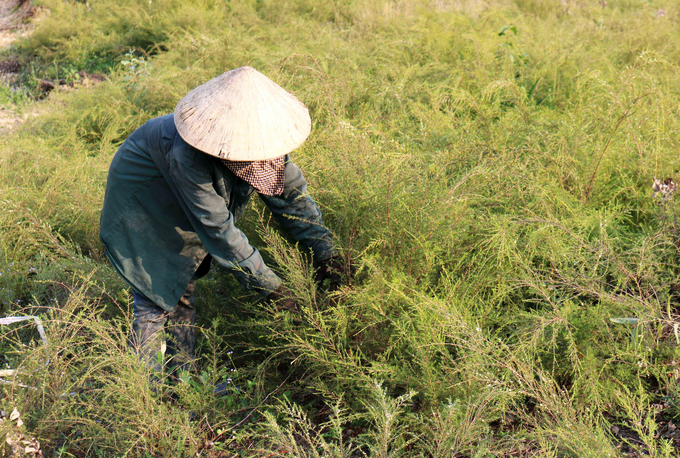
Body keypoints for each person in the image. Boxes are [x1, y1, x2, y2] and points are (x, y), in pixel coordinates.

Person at [100, 66, 343, 376]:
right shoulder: (188, 155)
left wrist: (327, 255)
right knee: (156, 295)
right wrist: (274, 291)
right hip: (144, 202)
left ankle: (181, 380)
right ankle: (144, 393)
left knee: (183, 293)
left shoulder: (265, 141)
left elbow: (293, 199)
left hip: (180, 196)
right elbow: (220, 232)